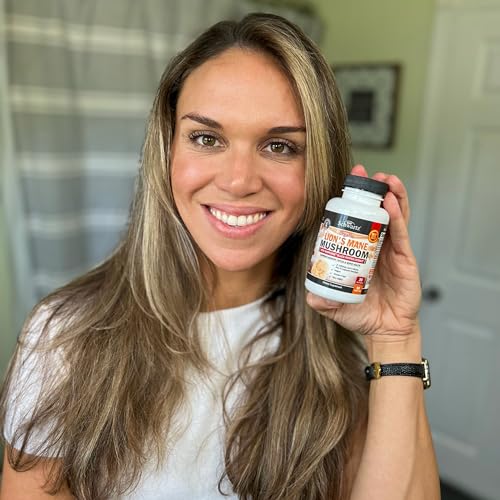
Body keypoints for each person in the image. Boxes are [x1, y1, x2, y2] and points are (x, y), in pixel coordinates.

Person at [0, 13, 440, 500]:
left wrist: (396, 340)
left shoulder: (340, 353)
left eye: (280, 146)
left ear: (319, 168)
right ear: (166, 150)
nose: (237, 181)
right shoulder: (64, 335)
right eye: (207, 138)